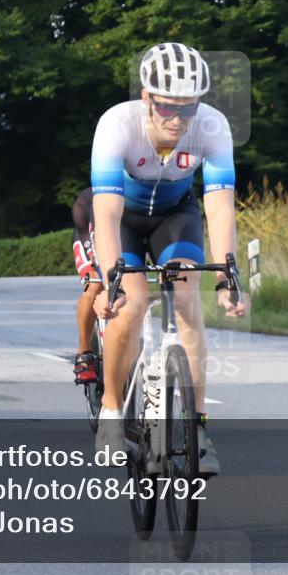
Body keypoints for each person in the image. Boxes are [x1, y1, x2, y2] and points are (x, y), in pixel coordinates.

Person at [90, 42, 249, 475]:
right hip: (124, 216)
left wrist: (228, 276)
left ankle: (197, 428)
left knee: (186, 301)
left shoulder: (213, 127)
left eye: (188, 109)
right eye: (167, 109)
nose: (178, 120)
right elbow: (105, 213)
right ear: (147, 97)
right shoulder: (116, 125)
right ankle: (109, 413)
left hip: (175, 216)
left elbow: (218, 205)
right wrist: (111, 281)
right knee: (132, 303)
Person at [71, 187, 104, 384]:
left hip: (124, 235)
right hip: (89, 233)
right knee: (96, 284)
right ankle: (84, 351)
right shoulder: (89, 200)